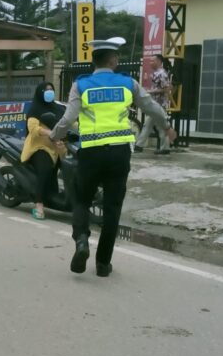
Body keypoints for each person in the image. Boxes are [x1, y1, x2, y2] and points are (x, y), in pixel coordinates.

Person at [50, 37, 177, 277]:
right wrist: (167, 127)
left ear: (94, 61)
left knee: (81, 199)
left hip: (90, 153)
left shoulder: (81, 85)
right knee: (112, 207)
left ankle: (82, 242)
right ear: (113, 60)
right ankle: (103, 264)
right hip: (119, 153)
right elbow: (152, 108)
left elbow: (67, 120)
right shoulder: (128, 83)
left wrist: (55, 136)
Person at [21, 82, 66, 220]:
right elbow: (33, 129)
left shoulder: (59, 108)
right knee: (45, 169)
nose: (49, 92)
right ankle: (39, 204)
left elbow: (71, 122)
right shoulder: (35, 109)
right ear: (40, 93)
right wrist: (50, 133)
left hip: (59, 147)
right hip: (40, 147)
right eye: (46, 90)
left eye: (51, 89)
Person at [134, 54, 173, 155]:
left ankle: (139, 146)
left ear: (159, 61)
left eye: (153, 61)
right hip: (155, 104)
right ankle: (164, 147)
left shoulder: (161, 74)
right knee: (157, 125)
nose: (151, 63)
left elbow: (166, 89)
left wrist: (151, 91)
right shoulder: (157, 73)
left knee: (151, 124)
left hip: (159, 104)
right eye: (150, 61)